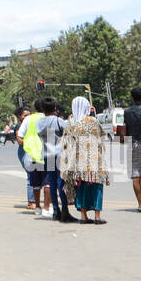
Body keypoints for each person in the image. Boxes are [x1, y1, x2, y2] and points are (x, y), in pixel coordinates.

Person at [60, 96, 109, 224]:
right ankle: (97, 217)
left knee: (81, 188)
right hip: (94, 161)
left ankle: (83, 216)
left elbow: (66, 143)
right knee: (97, 186)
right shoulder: (93, 121)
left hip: (78, 163)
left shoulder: (71, 123)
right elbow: (102, 136)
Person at [36, 97, 73, 222]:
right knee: (61, 182)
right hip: (59, 154)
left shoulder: (40, 122)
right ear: (55, 108)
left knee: (51, 183)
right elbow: (69, 132)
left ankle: (56, 210)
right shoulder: (58, 121)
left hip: (47, 154)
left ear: (42, 109)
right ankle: (65, 211)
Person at [13, 108, 36, 209]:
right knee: (31, 175)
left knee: (35, 175)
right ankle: (31, 202)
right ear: (19, 117)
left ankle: (33, 200)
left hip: (33, 151)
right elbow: (20, 141)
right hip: (25, 152)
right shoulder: (19, 126)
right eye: (25, 115)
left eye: (29, 115)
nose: (28, 117)